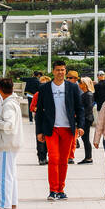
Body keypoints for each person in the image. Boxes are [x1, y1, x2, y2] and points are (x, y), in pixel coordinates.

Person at [34, 59, 86, 200]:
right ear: (53, 71)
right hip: (52, 129)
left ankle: (61, 190)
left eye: (63, 70)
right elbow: (39, 112)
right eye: (58, 70)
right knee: (54, 159)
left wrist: (80, 126)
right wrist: (39, 132)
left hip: (68, 129)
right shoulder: (45, 88)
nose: (60, 72)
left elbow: (80, 108)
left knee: (63, 160)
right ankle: (53, 190)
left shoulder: (73, 87)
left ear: (65, 71)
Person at [0, 79, 22, 209]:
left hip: (6, 143)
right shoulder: (13, 102)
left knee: (4, 175)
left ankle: (4, 204)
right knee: (11, 174)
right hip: (12, 143)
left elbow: (9, 125)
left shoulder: (8, 105)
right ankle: (12, 202)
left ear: (0, 90)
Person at [31, 74, 50, 166]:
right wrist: (40, 109)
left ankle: (46, 156)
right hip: (40, 118)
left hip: (50, 119)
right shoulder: (37, 94)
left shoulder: (52, 95)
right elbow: (32, 107)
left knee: (48, 138)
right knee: (40, 138)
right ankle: (41, 157)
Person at [77, 77, 95, 163]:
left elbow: (88, 108)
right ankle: (88, 157)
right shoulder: (86, 94)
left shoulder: (88, 95)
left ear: (85, 84)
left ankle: (88, 157)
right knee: (85, 138)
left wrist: (81, 118)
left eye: (80, 82)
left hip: (86, 119)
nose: (79, 84)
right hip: (86, 118)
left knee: (86, 138)